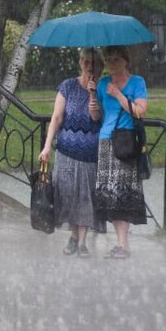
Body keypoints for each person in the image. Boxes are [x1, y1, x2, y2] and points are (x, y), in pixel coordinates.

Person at [39, 48, 105, 258]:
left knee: (85, 198)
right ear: (80, 63)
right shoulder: (67, 86)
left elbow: (96, 118)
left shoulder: (103, 89)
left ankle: (82, 241)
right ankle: (74, 237)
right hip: (66, 151)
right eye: (85, 62)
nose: (89, 67)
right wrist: (47, 146)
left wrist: (94, 94)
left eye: (93, 64)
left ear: (100, 67)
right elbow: (57, 118)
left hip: (89, 153)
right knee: (67, 195)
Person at [89, 45, 149, 259]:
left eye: (116, 59)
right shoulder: (103, 83)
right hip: (105, 141)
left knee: (122, 193)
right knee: (110, 195)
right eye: (109, 59)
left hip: (124, 143)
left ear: (126, 61)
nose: (112, 63)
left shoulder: (137, 82)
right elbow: (96, 117)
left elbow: (140, 112)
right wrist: (93, 96)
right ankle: (119, 244)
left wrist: (118, 94)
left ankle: (124, 245)